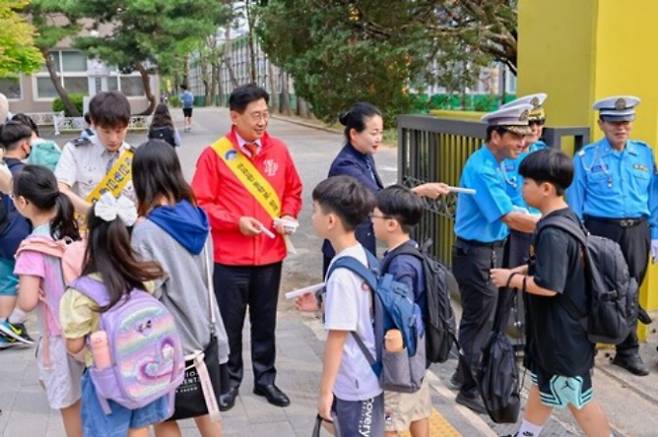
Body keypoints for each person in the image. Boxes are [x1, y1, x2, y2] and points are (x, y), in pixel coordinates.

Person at [191, 83, 303, 411]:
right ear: (234, 116)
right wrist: (234, 222)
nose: (262, 121)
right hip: (230, 257)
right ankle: (230, 381)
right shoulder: (215, 155)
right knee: (230, 322)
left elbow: (293, 190)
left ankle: (266, 379)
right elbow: (201, 203)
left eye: (266, 114)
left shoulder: (279, 151)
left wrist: (288, 214)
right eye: (255, 115)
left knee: (265, 320)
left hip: (270, 255)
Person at [491, 148, 612, 437]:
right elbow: (551, 268)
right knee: (544, 385)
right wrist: (520, 272)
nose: (522, 189)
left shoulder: (553, 233)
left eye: (526, 183)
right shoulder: (564, 218)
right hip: (555, 332)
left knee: (576, 398)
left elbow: (549, 285)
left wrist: (510, 279)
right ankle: (527, 433)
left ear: (545, 188)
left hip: (563, 335)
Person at [130, 139, 229, 437]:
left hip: (168, 342)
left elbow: (147, 294)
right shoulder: (198, 217)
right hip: (206, 331)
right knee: (205, 409)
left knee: (163, 415)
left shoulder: (147, 230)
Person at [450, 104, 538, 413]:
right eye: (516, 136)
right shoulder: (483, 168)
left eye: (524, 137)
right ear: (495, 135)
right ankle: (470, 388)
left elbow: (518, 205)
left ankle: (465, 374)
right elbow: (510, 216)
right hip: (476, 254)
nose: (522, 143)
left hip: (490, 250)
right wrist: (553, 223)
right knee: (479, 322)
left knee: (485, 318)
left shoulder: (499, 164)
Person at [59, 194, 170, 437]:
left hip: (105, 379)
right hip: (144, 369)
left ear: (92, 238)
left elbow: (74, 345)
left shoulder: (80, 293)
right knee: (139, 426)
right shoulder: (144, 277)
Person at [567, 96, 656, 376]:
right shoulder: (585, 159)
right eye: (615, 122)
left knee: (630, 290)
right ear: (601, 123)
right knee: (597, 290)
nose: (621, 128)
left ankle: (627, 351)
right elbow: (574, 202)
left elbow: (653, 197)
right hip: (601, 230)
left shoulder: (644, 153)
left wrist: (654, 233)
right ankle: (586, 349)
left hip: (637, 230)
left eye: (626, 122)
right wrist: (581, 238)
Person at [324, 102, 449, 275]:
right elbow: (379, 198)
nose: (379, 138)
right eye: (374, 133)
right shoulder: (345, 165)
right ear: (354, 133)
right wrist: (421, 191)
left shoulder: (364, 156)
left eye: (381, 132)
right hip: (345, 250)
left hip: (359, 244)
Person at [11, 165, 84, 436]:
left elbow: (28, 300)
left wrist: (13, 315)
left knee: (71, 407)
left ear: (23, 202)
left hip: (59, 338)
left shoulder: (32, 247)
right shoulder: (73, 233)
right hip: (88, 331)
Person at [311, 175, 384, 436]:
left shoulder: (342, 273)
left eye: (315, 210)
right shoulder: (361, 254)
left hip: (356, 381)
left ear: (331, 221)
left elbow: (338, 336)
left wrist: (325, 392)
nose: (311, 216)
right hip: (366, 372)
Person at [372, 185, 432, 437]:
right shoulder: (411, 252)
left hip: (400, 357)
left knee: (391, 421)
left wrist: (392, 361)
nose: (371, 221)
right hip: (416, 353)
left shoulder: (400, 264)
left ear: (392, 224)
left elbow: (400, 313)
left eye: (374, 216)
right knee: (418, 412)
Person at [55, 91, 136, 215]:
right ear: (93, 123)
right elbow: (60, 190)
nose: (113, 138)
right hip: (87, 229)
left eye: (119, 131)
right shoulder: (75, 151)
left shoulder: (135, 157)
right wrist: (95, 214)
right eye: (106, 131)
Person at [0, 121, 34, 347]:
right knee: (12, 282)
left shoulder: (2, 169)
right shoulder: (25, 174)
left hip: (3, 232)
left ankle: (10, 326)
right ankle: (6, 328)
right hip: (18, 234)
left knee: (5, 280)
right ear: (24, 146)